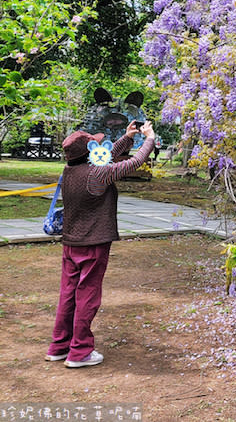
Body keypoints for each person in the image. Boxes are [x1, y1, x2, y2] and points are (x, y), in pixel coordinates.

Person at [46, 120, 156, 368]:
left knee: (68, 295)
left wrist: (127, 138)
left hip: (71, 243)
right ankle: (80, 351)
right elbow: (134, 163)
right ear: (88, 153)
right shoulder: (97, 174)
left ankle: (59, 346)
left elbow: (103, 158)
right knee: (87, 295)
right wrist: (149, 139)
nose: (98, 145)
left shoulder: (70, 170)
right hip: (93, 244)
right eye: (93, 143)